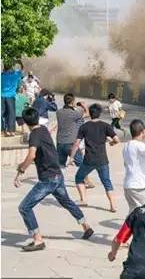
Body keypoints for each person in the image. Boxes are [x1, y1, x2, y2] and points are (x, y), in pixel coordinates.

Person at [14, 107, 94, 251]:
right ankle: (86, 226)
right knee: (67, 202)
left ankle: (38, 240)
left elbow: (32, 155)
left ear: (26, 123)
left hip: (48, 179)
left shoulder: (34, 135)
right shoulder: (43, 129)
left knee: (24, 207)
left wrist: (21, 170)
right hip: (57, 175)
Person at [68, 103, 120, 212]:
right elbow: (117, 140)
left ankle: (83, 199)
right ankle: (113, 205)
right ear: (100, 114)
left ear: (90, 114)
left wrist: (71, 157)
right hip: (102, 159)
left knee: (79, 178)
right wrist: (111, 143)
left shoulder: (84, 126)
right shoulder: (106, 126)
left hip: (89, 160)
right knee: (107, 182)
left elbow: (77, 143)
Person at [56, 94, 94, 188]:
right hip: (71, 143)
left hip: (60, 142)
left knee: (60, 165)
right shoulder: (74, 114)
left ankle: (56, 182)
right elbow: (88, 114)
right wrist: (84, 106)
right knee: (81, 163)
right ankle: (87, 181)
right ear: (72, 102)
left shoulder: (59, 112)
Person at [1, 64, 23, 136]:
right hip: (11, 96)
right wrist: (20, 62)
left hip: (2, 96)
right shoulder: (15, 75)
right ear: (11, 68)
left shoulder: (1, 75)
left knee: (2, 113)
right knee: (11, 114)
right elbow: (22, 69)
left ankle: (2, 130)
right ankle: (11, 131)